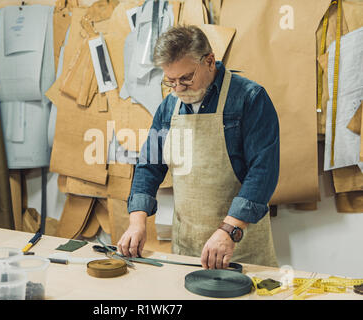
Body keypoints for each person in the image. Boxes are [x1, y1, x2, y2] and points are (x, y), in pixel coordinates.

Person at [117, 25, 280, 269]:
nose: (178, 89)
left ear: (210, 61)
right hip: (187, 249)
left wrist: (229, 230)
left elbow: (263, 172)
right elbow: (149, 165)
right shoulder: (168, 107)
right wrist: (137, 220)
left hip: (238, 247)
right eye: (170, 81)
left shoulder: (249, 98)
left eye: (186, 78)